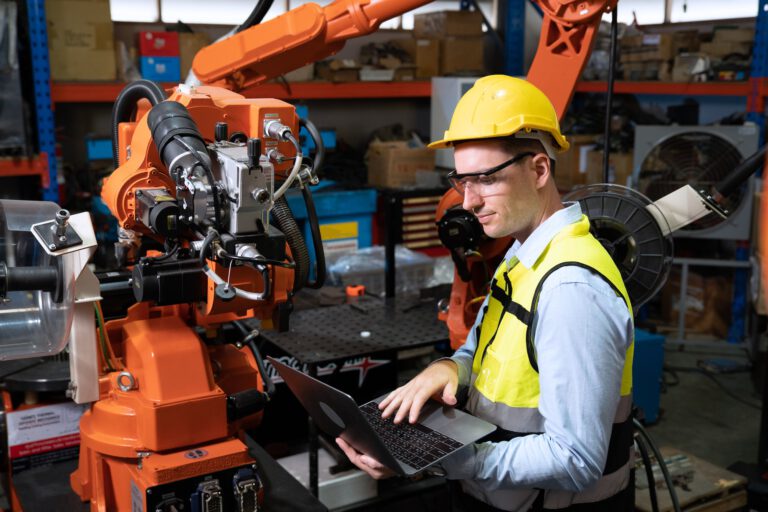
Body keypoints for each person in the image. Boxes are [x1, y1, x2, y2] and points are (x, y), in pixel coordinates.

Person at [336, 75, 635, 512]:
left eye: (486, 180)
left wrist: (443, 459)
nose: (469, 202)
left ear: (538, 169)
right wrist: (448, 369)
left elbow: (576, 461)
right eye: (462, 181)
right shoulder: (522, 256)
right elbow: (479, 352)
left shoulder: (572, 291)